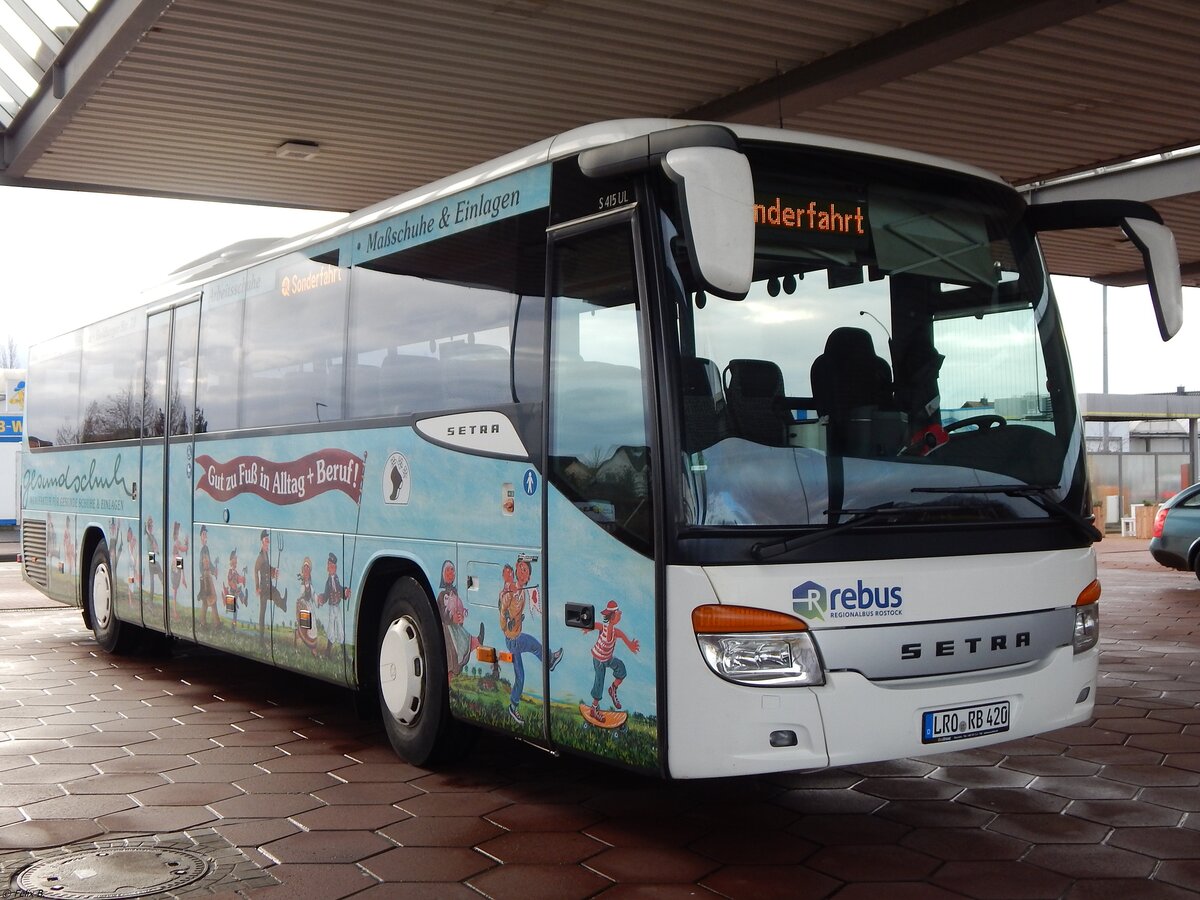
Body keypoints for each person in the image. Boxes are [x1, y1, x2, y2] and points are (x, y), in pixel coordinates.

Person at [318, 552, 348, 658]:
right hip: (331, 607)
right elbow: (326, 595)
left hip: (337, 607)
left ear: (334, 567)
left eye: (331, 565)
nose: (329, 567)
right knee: (331, 629)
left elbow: (339, 588)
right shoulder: (328, 582)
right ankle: (328, 653)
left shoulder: (336, 579)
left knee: (340, 628)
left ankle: (344, 654)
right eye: (328, 565)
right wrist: (322, 599)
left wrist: (345, 592)